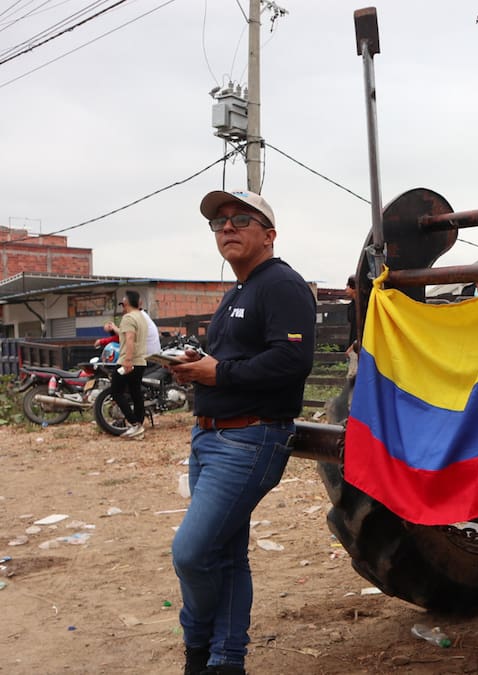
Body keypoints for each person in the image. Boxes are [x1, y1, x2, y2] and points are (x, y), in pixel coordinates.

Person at [169, 190, 315, 675]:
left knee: (191, 552)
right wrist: (195, 367)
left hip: (249, 439)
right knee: (226, 554)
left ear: (268, 235)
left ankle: (197, 647)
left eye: (240, 220)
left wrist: (219, 375)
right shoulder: (238, 290)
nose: (227, 228)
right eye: (219, 223)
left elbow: (294, 359)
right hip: (209, 438)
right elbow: (232, 361)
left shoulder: (281, 285)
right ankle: (224, 661)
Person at [111, 290, 149, 439]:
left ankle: (134, 424)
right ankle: (138, 425)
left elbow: (130, 339)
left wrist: (127, 360)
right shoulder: (141, 317)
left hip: (128, 361)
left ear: (126, 303)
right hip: (141, 361)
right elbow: (129, 334)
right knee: (136, 393)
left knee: (116, 392)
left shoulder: (128, 318)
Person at [345, 275, 359, 379]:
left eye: (348, 286)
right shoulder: (351, 306)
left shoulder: (362, 305)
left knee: (353, 375)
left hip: (359, 344)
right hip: (354, 343)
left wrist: (353, 345)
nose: (346, 288)